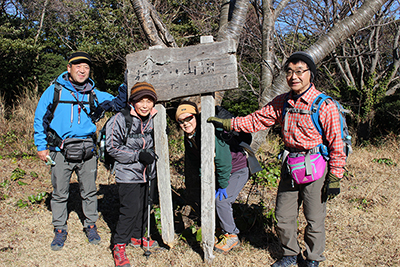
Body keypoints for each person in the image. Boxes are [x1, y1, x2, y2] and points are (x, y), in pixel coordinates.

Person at [207, 52, 346, 267]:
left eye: (299, 71)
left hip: (316, 166)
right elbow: (257, 120)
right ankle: (289, 253)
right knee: (283, 215)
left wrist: (335, 176)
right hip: (291, 165)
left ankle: (313, 258)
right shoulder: (283, 102)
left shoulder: (324, 105)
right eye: (289, 72)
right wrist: (229, 124)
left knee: (314, 218)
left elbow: (337, 144)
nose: (294, 77)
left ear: (311, 74)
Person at [33, 51, 127, 251]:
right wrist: (41, 146)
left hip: (87, 152)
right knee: (59, 193)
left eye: (86, 67)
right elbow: (40, 118)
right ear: (69, 68)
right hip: (60, 151)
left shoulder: (94, 94)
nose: (82, 70)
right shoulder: (54, 91)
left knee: (89, 191)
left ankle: (91, 225)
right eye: (78, 66)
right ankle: (60, 229)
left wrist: (125, 84)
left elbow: (118, 105)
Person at [175, 101, 249, 253]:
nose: (185, 123)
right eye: (181, 121)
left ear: (195, 117)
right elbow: (199, 162)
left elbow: (223, 161)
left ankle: (232, 235)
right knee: (213, 200)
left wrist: (222, 185)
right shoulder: (190, 137)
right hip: (222, 171)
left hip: (237, 169)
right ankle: (222, 230)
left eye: (188, 118)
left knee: (221, 200)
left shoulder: (209, 132)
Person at [106, 82, 158, 267]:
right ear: (132, 101)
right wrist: (138, 155)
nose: (145, 105)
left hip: (147, 172)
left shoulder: (154, 118)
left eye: (149, 101)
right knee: (129, 209)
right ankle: (119, 245)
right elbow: (111, 147)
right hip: (128, 172)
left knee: (145, 206)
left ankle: (137, 237)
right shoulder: (120, 119)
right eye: (141, 101)